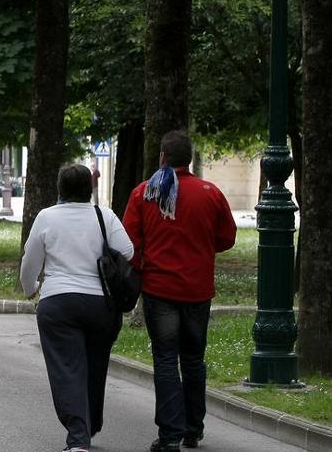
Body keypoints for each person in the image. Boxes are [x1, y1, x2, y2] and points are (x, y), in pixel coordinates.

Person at [123, 130, 237, 452]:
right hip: (198, 291)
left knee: (165, 359)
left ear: (162, 156)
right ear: (189, 158)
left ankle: (169, 435)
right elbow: (227, 238)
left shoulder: (144, 193)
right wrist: (201, 249)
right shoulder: (210, 192)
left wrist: (145, 263)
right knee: (193, 360)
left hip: (160, 290)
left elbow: (130, 242)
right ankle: (193, 429)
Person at [20, 163, 134, 452]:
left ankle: (78, 437)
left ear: (60, 189)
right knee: (96, 366)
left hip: (58, 303)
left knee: (67, 368)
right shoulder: (103, 216)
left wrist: (30, 288)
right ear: (90, 188)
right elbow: (128, 250)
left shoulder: (46, 217)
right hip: (101, 304)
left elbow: (30, 262)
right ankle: (91, 423)